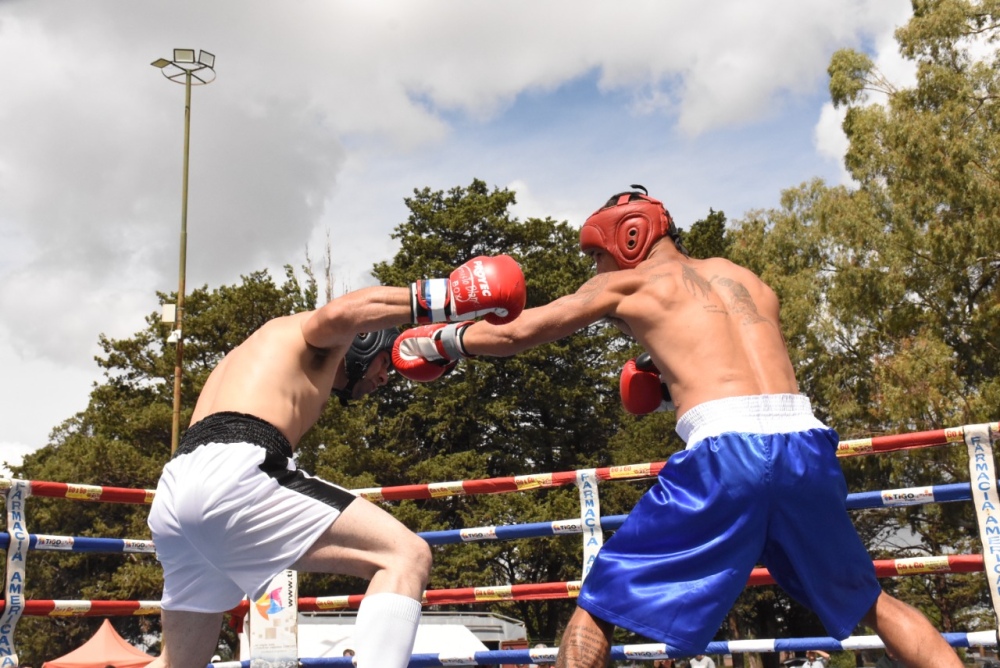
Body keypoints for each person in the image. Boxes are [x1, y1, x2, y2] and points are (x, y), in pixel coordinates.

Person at [392, 186, 963, 668]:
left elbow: (519, 333)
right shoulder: (748, 281)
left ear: (629, 239)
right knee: (871, 601)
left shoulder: (631, 283)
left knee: (599, 603)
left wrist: (438, 340)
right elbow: (736, 364)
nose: (598, 270)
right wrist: (663, 379)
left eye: (598, 257)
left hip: (727, 454)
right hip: (807, 444)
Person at [145, 255, 526, 668]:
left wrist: (450, 339)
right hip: (235, 475)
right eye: (385, 363)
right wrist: (448, 297)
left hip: (175, 492)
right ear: (365, 340)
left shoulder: (252, 353)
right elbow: (343, 312)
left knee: (177, 663)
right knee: (404, 556)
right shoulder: (318, 333)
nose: (384, 377)